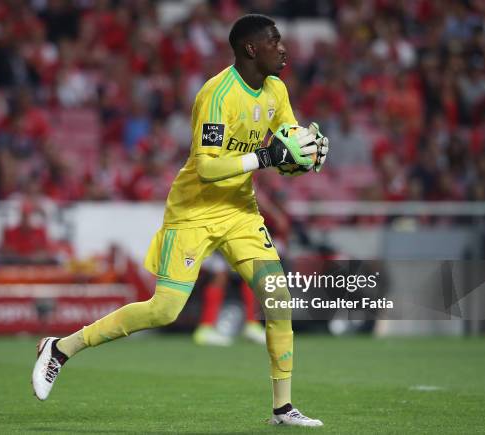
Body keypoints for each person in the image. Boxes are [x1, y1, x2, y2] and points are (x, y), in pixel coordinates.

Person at [31, 14, 329, 427]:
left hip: (240, 210)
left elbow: (287, 142)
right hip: (193, 211)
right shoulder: (217, 94)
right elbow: (207, 167)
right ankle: (61, 348)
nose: (283, 48)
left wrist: (305, 155)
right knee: (165, 310)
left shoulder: (277, 89)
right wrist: (265, 157)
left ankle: (283, 408)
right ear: (250, 49)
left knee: (278, 299)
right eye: (274, 41)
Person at [193, 253, 266, 346]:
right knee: (219, 275)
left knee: (248, 272)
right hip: (213, 245)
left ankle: (252, 325)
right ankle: (205, 329)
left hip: (225, 245)